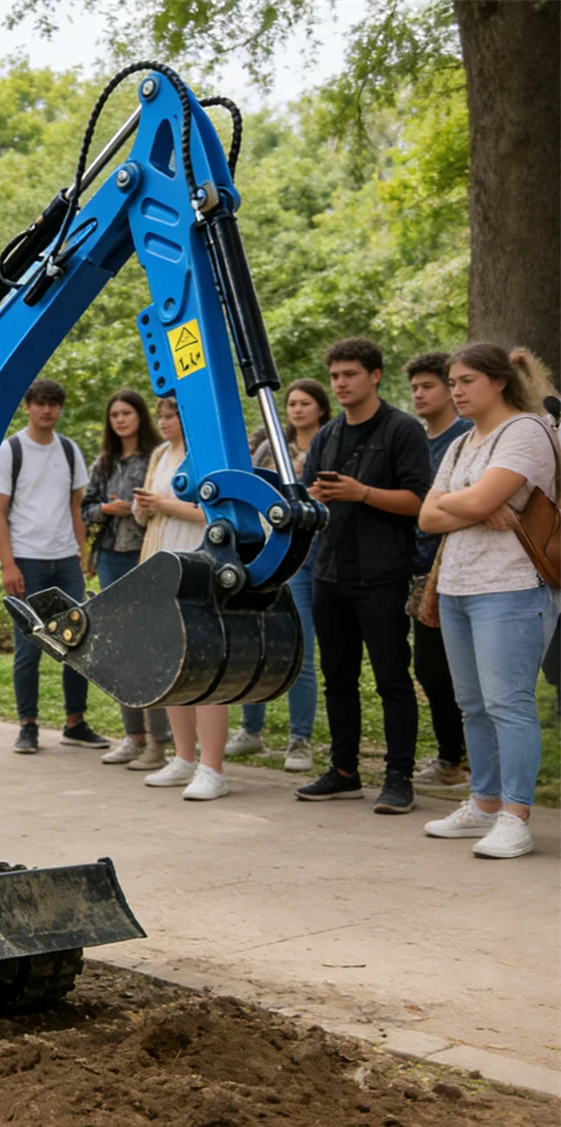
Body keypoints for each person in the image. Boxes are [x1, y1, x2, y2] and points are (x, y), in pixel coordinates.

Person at [419, 344, 559, 859]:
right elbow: (426, 517)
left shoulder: (525, 430)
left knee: (509, 703)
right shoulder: (460, 444)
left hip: (510, 585)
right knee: (473, 705)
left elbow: (467, 502)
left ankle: (515, 816)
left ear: (499, 381)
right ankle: (482, 803)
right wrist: (478, 506)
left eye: (466, 380)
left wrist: (473, 503)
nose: (456, 390)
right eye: (452, 381)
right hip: (457, 585)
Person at [294, 337, 431, 814]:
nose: (341, 383)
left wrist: (362, 493)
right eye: (334, 376)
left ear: (374, 376)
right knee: (338, 678)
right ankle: (344, 771)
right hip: (329, 573)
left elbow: (419, 503)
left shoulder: (403, 430)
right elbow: (310, 501)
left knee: (392, 679)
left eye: (349, 374)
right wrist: (315, 499)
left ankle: (398, 778)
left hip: (383, 575)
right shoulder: (327, 435)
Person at [0, 378, 109, 754]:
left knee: (78, 642)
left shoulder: (70, 450)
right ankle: (28, 726)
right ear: (28, 406)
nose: (47, 410)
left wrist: (81, 550)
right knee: (30, 647)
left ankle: (76, 723)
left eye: (54, 404)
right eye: (40, 403)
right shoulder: (11, 450)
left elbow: (76, 507)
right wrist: (8, 564)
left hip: (65, 558)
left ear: (60, 408)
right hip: (26, 558)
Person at [227, 379, 332, 771]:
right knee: (258, 644)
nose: (297, 409)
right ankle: (251, 731)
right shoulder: (271, 448)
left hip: (312, 559)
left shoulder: (328, 445)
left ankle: (299, 740)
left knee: (300, 652)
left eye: (306, 402)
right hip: (267, 554)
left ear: (320, 408)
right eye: (291, 403)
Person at [133, 397, 230, 800]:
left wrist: (167, 505)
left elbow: (219, 512)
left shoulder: (209, 452)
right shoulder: (159, 454)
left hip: (202, 564)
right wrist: (145, 508)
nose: (165, 422)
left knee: (206, 669)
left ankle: (213, 768)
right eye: (161, 415)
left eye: (172, 414)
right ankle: (184, 758)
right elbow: (147, 516)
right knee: (171, 665)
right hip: (161, 563)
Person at [81, 389, 171, 769]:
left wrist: (131, 509)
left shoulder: (157, 457)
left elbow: (155, 504)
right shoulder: (103, 463)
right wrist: (106, 508)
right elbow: (86, 508)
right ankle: (132, 736)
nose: (120, 420)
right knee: (120, 648)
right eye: (114, 414)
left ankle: (158, 741)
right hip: (110, 558)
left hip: (144, 554)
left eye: (127, 413)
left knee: (153, 647)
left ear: (140, 417)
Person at [405, 352, 472, 788]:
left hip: (462, 566)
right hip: (416, 570)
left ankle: (473, 763)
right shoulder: (413, 439)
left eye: (427, 386)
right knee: (428, 668)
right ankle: (451, 758)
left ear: (450, 389)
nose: (418, 395)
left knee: (467, 669)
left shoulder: (466, 436)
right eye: (413, 388)